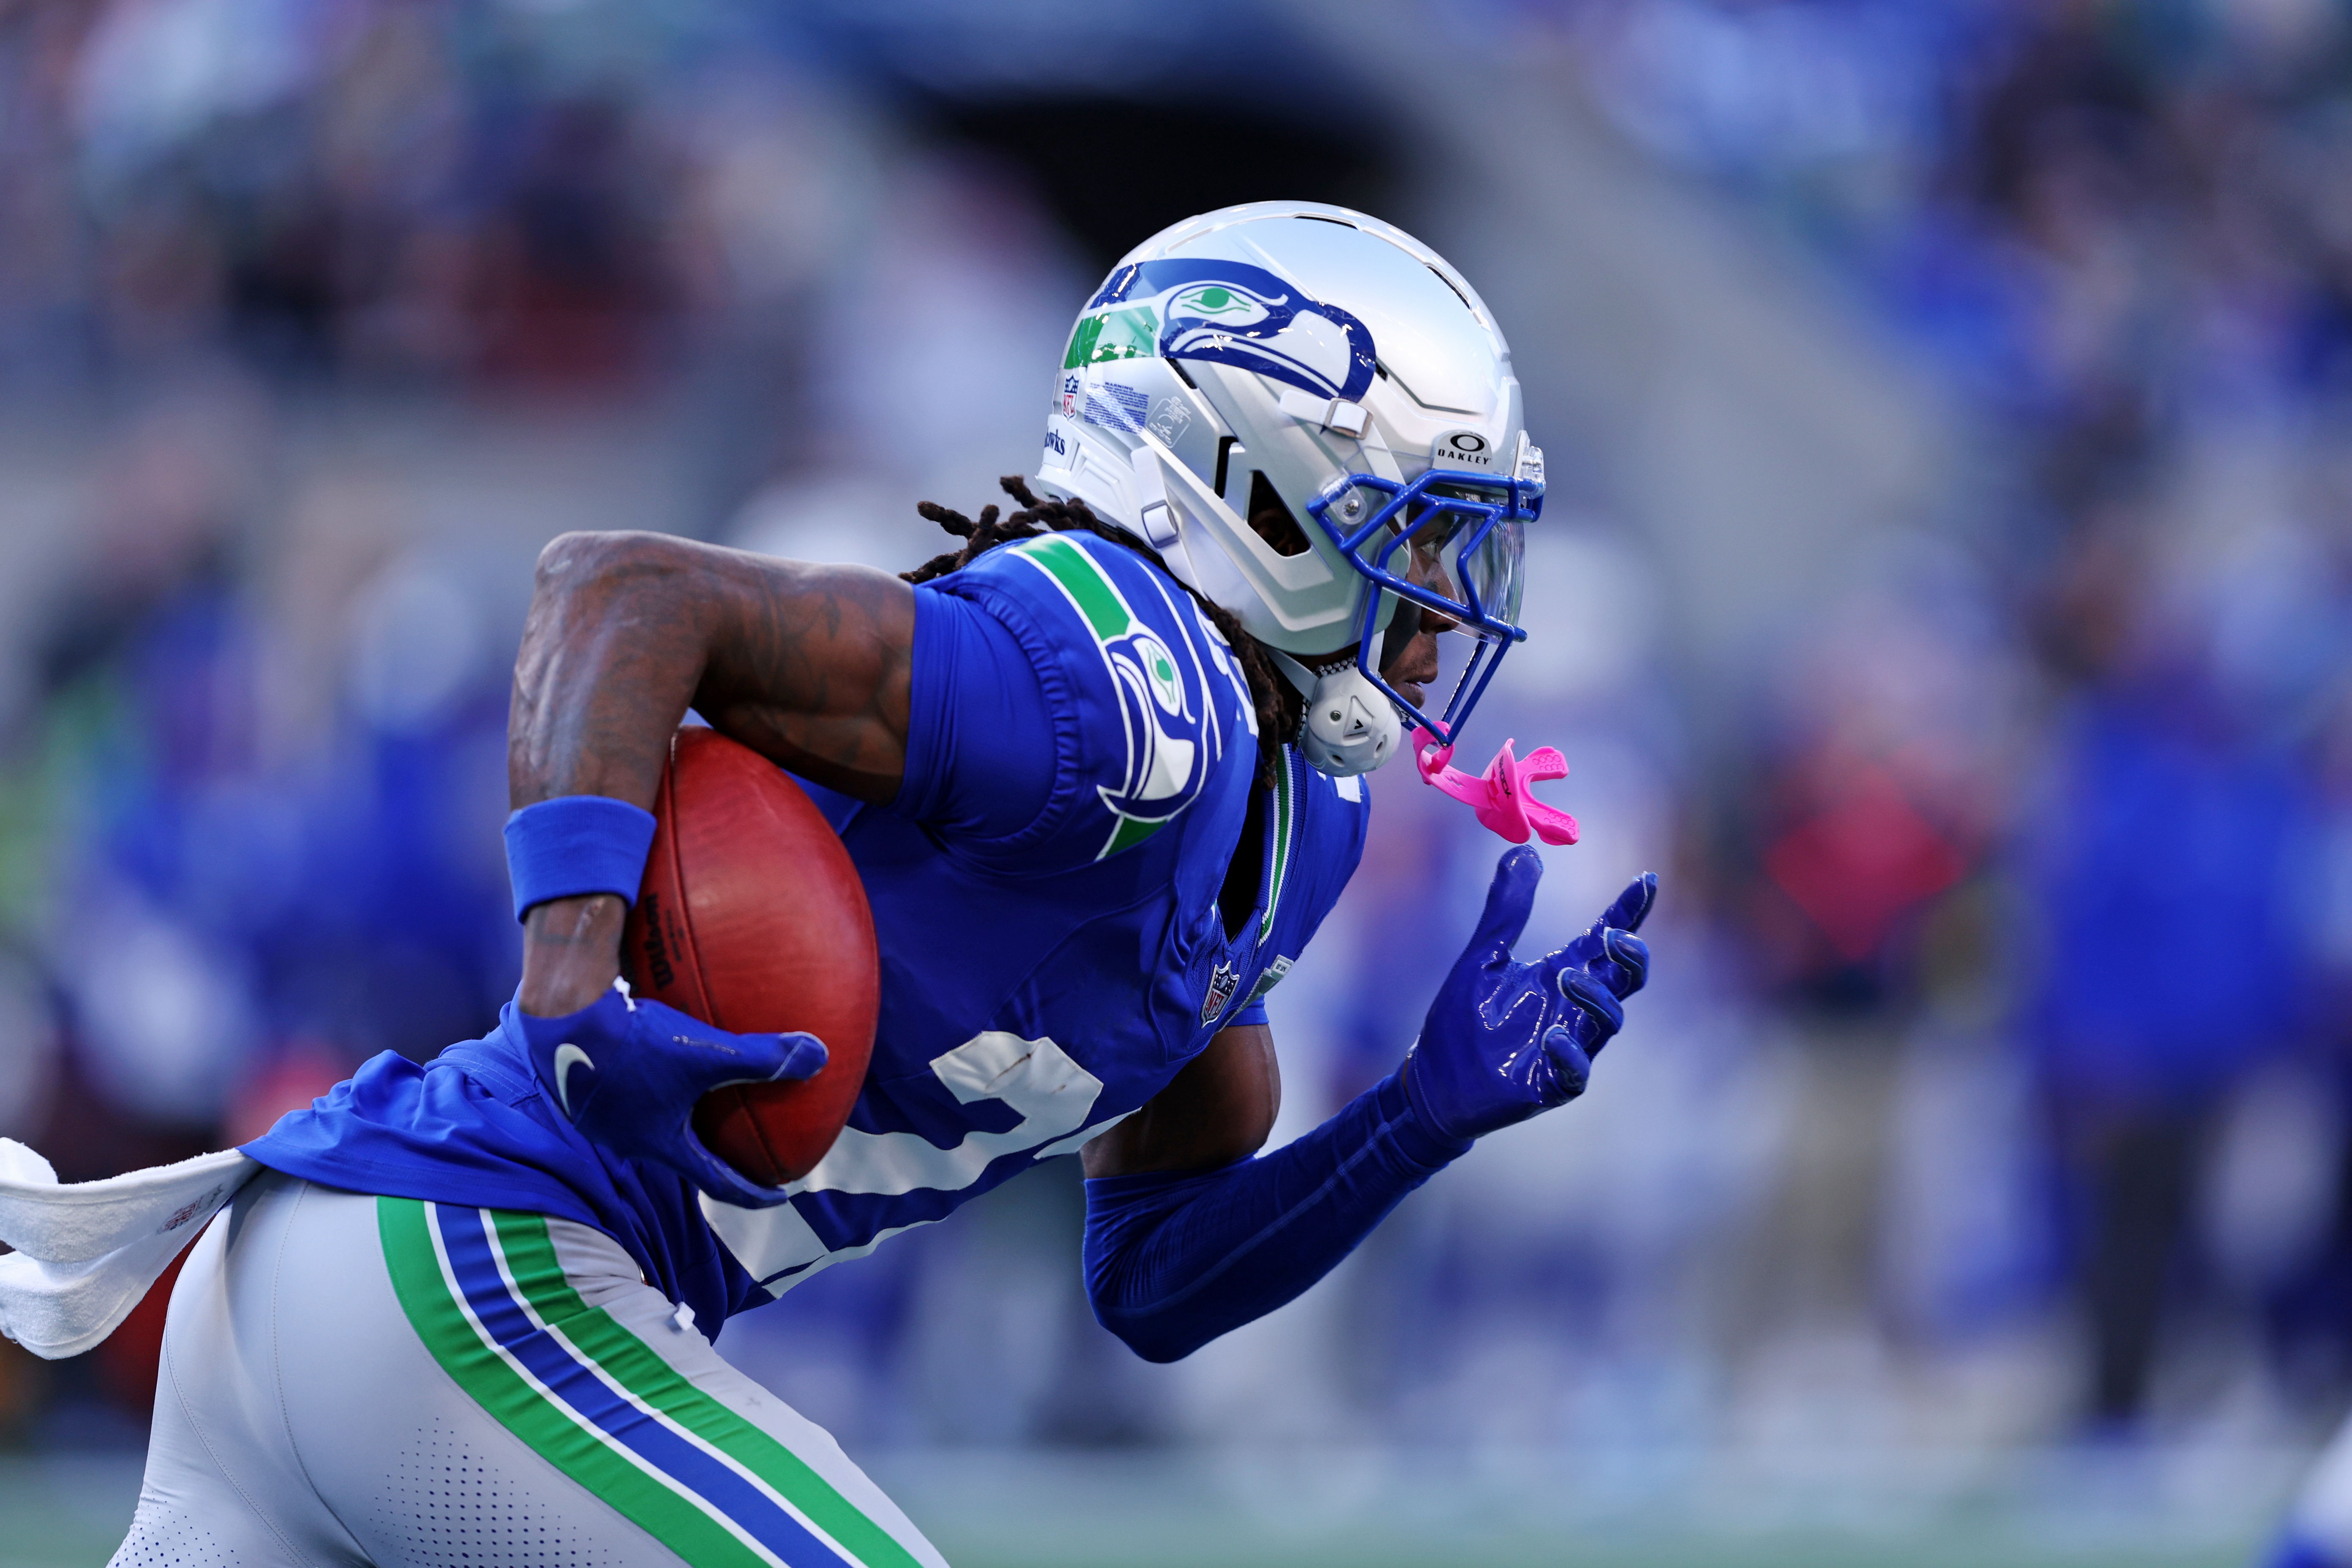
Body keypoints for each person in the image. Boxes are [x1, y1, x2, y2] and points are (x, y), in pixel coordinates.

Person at [65, 202, 1655, 1566]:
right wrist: (570, 981)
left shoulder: (1293, 816)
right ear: (1250, 484)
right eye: (1419, 539)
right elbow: (614, 592)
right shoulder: (1122, 697)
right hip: (469, 1271)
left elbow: (1153, 1285)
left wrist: (1410, 1122)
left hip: (351, 1295)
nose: (1446, 610)